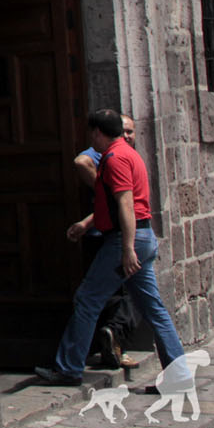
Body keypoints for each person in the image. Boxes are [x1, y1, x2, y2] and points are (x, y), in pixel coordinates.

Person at [36, 108, 188, 388]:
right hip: (143, 236)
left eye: (90, 133)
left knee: (87, 299)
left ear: (97, 132)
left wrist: (127, 249)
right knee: (153, 308)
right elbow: (120, 204)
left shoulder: (115, 158)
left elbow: (126, 205)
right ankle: (178, 376)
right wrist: (87, 224)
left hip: (125, 240)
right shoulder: (129, 154)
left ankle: (68, 369)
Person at [68, 114, 141, 369]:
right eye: (123, 131)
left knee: (133, 295)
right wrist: (101, 183)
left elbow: (126, 203)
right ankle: (92, 354)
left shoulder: (125, 157)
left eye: (131, 131)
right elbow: (81, 162)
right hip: (110, 237)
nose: (127, 136)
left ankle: (114, 342)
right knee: (105, 295)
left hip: (128, 235)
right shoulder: (108, 156)